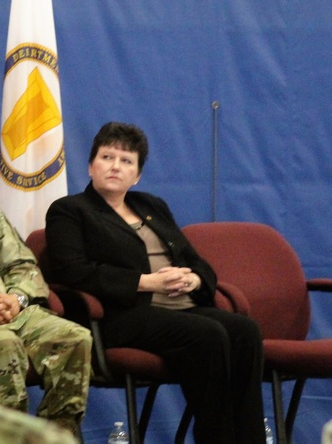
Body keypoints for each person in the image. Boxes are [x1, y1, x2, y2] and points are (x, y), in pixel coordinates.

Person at [45, 121, 265, 444]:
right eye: (107, 157)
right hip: (120, 316)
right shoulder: (70, 211)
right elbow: (72, 271)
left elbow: (196, 260)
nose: (116, 167)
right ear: (91, 165)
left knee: (246, 331)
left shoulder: (151, 206)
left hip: (181, 308)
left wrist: (193, 279)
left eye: (126, 161)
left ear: (137, 175)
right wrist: (146, 283)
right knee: (210, 335)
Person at [0, 190, 92, 443]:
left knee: (75, 338)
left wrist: (17, 299)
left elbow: (22, 265)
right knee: (3, 343)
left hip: (7, 307)